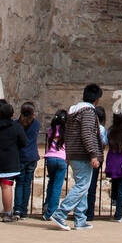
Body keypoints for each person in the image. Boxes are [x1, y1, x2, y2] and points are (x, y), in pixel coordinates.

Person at [50, 84, 104, 232]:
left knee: (83, 186)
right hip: (82, 154)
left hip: (74, 153)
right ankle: (61, 213)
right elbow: (87, 135)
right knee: (82, 185)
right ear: (97, 99)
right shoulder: (87, 113)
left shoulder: (73, 112)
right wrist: (93, 154)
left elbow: (67, 134)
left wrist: (68, 154)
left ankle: (80, 219)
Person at [13, 101, 40, 220]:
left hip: (20, 156)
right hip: (31, 156)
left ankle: (17, 209)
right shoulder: (36, 124)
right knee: (27, 184)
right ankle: (24, 209)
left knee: (19, 183)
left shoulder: (16, 124)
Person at [42, 110, 68, 221]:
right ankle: (50, 212)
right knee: (57, 186)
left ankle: (46, 205)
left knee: (51, 183)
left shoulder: (50, 131)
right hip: (62, 159)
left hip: (51, 158)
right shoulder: (67, 132)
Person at [86, 105, 108, 221]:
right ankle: (90, 213)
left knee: (84, 185)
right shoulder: (102, 129)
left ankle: (82, 211)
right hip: (97, 158)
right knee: (92, 186)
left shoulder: (88, 126)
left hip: (87, 158)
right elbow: (104, 141)